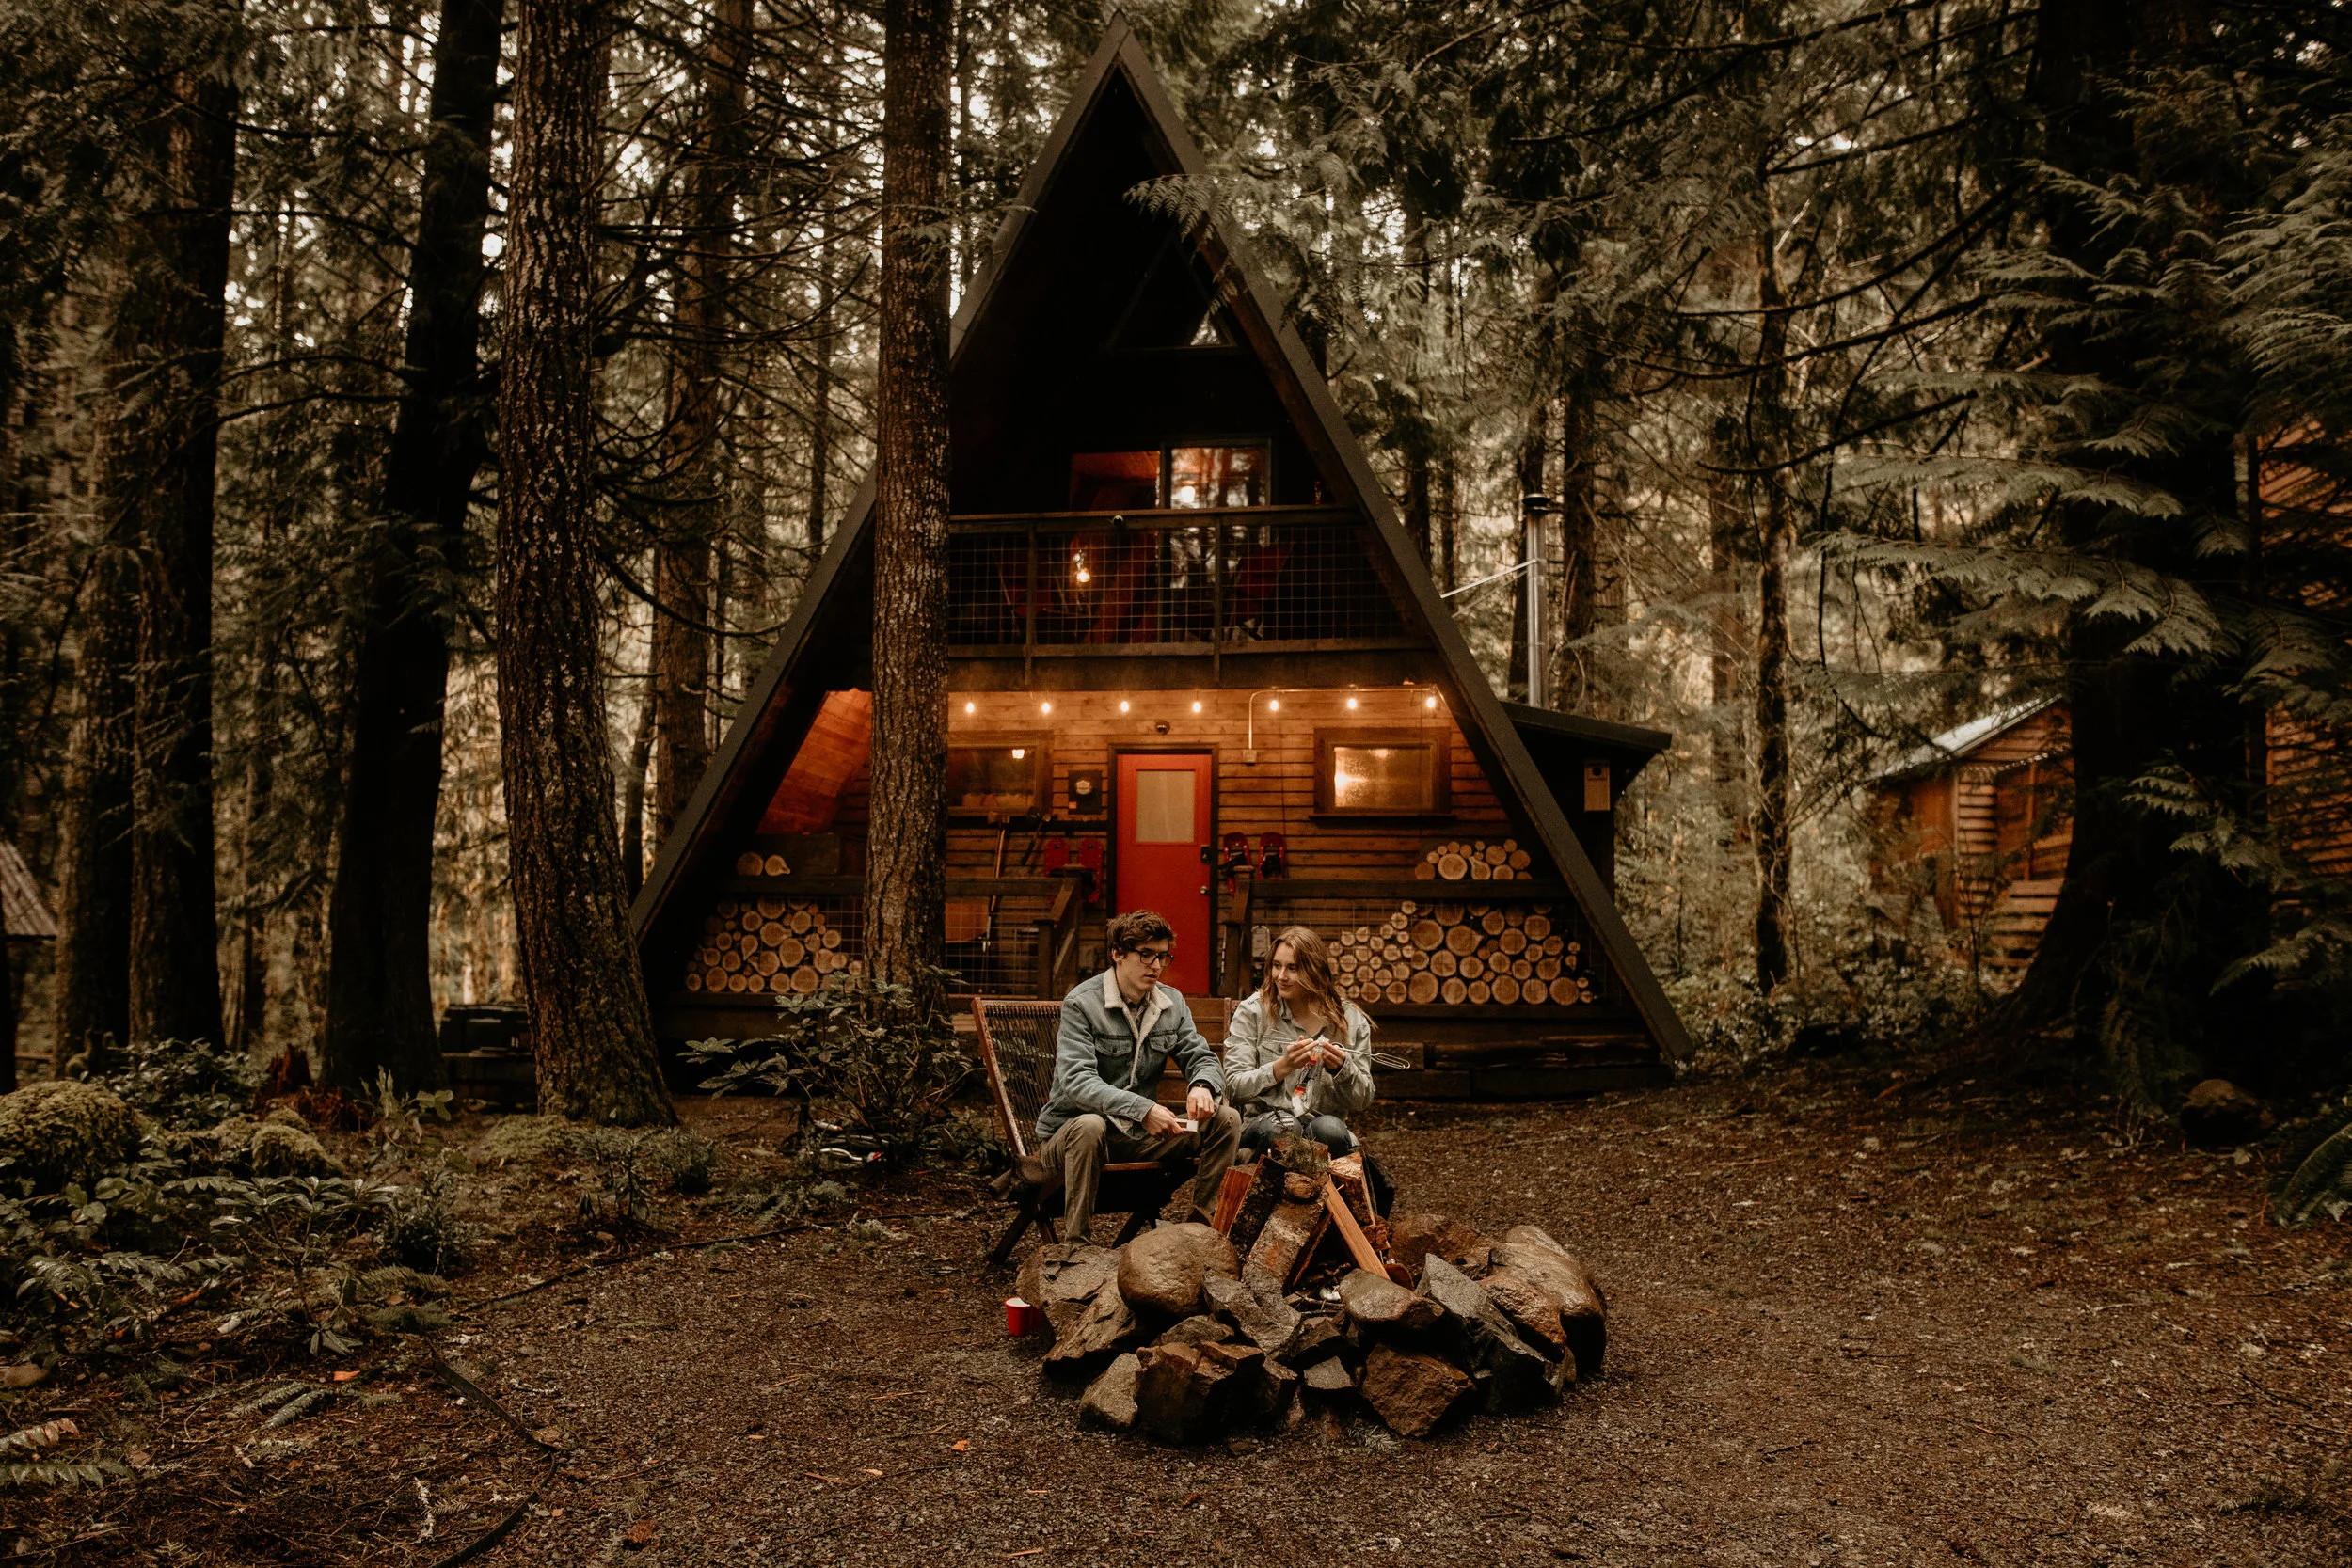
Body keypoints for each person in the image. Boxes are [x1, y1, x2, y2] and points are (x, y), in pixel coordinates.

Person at [1024, 910, 1243, 1240]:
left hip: (1137, 1140)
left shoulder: (1172, 1004)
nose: (1155, 965)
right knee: (1090, 1124)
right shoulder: (1082, 1004)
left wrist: (1201, 1084)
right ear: (1117, 953)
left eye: (1163, 956)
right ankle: (1075, 1249)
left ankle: (1199, 1236)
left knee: (1227, 1119)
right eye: (1145, 955)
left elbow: (1202, 1057)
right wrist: (1142, 1110)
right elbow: (1077, 1082)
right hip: (1073, 1137)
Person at [1222, 925, 1375, 1158]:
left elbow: (1363, 1099)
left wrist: (1342, 1069)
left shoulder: (1349, 1019)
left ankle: (1322, 1193)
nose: (1281, 976)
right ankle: (1267, 1186)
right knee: (1284, 1127)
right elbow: (1232, 1086)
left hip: (1323, 1122)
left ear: (1314, 970)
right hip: (1266, 1123)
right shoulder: (1253, 1012)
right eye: (1276, 966)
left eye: (1292, 968)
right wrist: (1281, 1067)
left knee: (1331, 1130)